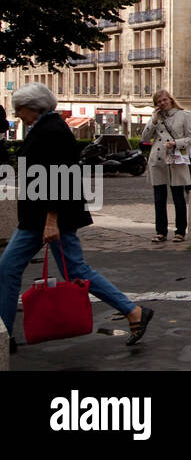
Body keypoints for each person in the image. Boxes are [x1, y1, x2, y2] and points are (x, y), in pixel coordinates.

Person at [0, 84, 154, 354]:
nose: (17, 114)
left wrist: (51, 220)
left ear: (33, 106)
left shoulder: (52, 131)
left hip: (46, 218)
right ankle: (133, 311)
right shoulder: (47, 128)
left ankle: (4, 332)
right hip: (44, 217)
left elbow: (59, 178)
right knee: (71, 271)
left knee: (10, 269)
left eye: (19, 109)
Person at [143, 89, 191, 242]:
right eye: (158, 102)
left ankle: (180, 230)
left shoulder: (184, 115)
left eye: (164, 100)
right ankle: (160, 231)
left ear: (171, 100)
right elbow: (145, 137)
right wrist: (153, 120)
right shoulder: (156, 118)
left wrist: (176, 143)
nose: (162, 103)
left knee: (178, 196)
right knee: (159, 198)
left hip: (176, 158)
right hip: (158, 159)